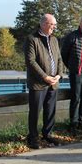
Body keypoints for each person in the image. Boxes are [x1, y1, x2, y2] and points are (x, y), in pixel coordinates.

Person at [24, 14, 62, 149]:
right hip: (38, 83)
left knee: (50, 110)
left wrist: (59, 75)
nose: (54, 27)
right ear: (44, 24)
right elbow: (31, 61)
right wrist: (45, 77)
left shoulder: (54, 40)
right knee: (35, 111)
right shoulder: (32, 39)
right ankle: (33, 138)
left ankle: (48, 134)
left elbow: (59, 59)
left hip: (53, 82)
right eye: (53, 25)